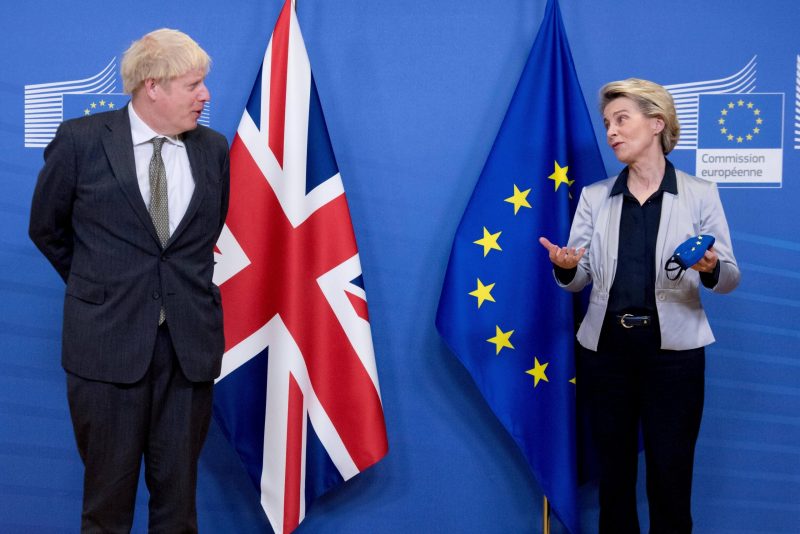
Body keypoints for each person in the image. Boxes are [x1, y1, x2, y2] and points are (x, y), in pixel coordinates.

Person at [29, 28, 229, 532]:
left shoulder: (213, 149)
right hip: (106, 349)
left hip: (188, 352)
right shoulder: (80, 141)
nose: (206, 96)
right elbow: (46, 229)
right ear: (153, 86)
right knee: (106, 507)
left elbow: (200, 239)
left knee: (178, 507)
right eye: (194, 85)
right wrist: (103, 289)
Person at [539, 78, 740, 533]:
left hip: (675, 357)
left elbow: (729, 279)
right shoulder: (594, 197)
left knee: (671, 476)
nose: (611, 131)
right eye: (607, 122)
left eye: (621, 119)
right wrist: (567, 267)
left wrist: (709, 267)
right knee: (615, 478)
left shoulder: (700, 192)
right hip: (606, 352)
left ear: (657, 124)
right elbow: (577, 279)